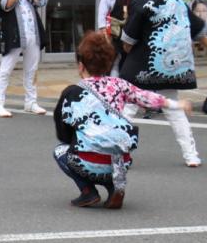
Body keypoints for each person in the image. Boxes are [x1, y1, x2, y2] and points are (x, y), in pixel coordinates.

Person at [55, 32, 190, 210]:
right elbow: (147, 97)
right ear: (108, 62)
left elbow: (62, 131)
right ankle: (114, 188)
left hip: (88, 161)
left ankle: (88, 191)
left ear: (81, 66)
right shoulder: (119, 85)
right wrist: (175, 104)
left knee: (60, 151)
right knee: (112, 148)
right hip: (120, 162)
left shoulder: (72, 92)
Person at [119, 0, 207, 167]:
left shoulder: (141, 2)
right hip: (176, 68)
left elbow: (127, 40)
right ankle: (191, 155)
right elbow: (198, 30)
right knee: (175, 110)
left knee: (128, 108)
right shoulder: (178, 0)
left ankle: (119, 153)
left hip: (145, 66)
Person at [0, 0, 48, 117]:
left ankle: (31, 102)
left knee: (32, 69)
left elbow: (40, 2)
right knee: (6, 69)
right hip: (14, 34)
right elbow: (6, 5)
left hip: (33, 32)